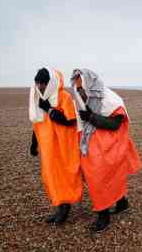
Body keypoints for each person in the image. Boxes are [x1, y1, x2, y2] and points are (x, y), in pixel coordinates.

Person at [71, 69, 142, 232]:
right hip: (91, 144)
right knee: (101, 177)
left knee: (101, 178)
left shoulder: (109, 98)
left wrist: (91, 117)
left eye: (82, 88)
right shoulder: (81, 100)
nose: (80, 92)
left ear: (90, 85)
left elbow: (116, 123)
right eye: (78, 89)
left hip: (111, 144)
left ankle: (104, 215)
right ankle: (122, 203)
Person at [29, 68, 82, 225]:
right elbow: (38, 122)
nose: (40, 87)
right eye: (37, 83)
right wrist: (34, 143)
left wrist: (49, 109)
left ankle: (65, 207)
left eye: (42, 83)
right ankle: (60, 205)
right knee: (51, 175)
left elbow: (70, 120)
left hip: (63, 145)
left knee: (64, 174)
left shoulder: (63, 97)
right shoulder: (38, 99)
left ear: (49, 83)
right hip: (47, 145)